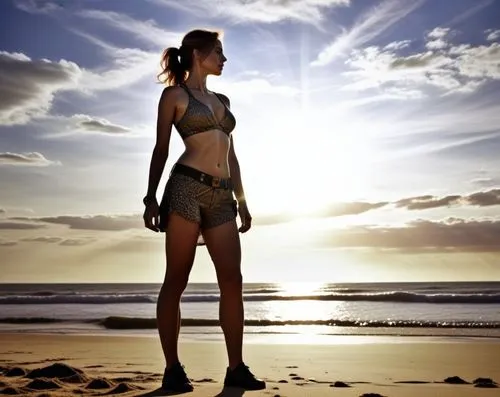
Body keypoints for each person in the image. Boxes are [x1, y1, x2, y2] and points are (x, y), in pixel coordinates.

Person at [142, 29, 266, 393]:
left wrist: (242, 200)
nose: (224, 59)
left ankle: (236, 368)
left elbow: (231, 155)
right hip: (185, 189)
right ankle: (172, 370)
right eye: (219, 52)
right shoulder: (173, 96)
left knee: (233, 281)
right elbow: (161, 150)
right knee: (176, 281)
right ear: (198, 54)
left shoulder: (222, 99)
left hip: (222, 196)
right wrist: (150, 198)